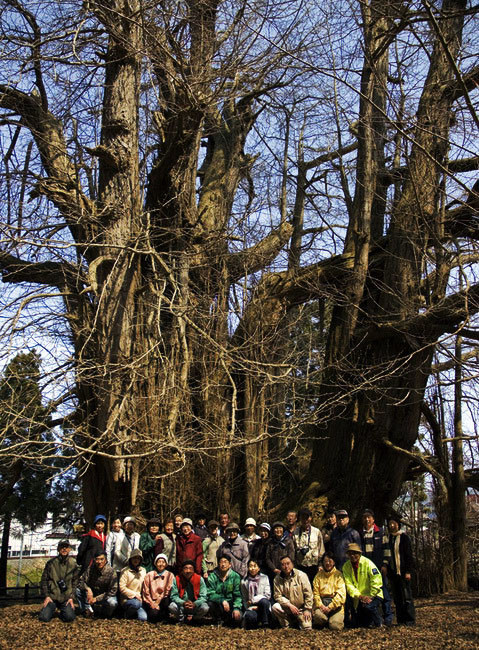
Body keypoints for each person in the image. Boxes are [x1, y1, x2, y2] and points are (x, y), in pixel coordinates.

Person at [360, 509, 393, 626]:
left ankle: (388, 617)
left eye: (369, 517)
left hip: (379, 567)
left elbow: (386, 549)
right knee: (370, 592)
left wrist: (385, 564)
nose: (367, 520)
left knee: (383, 591)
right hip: (365, 569)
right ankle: (373, 619)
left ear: (373, 519)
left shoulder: (380, 532)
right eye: (364, 517)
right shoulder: (360, 533)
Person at [342, 543, 383, 628]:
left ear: (360, 554)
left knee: (369, 607)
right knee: (358, 623)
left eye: (355, 553)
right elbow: (349, 585)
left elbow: (376, 580)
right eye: (350, 554)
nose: (353, 556)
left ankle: (379, 623)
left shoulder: (368, 563)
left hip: (374, 595)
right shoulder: (346, 566)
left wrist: (370, 596)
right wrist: (360, 596)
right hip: (358, 598)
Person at [38, 540, 79, 623]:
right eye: (62, 547)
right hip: (52, 597)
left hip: (66, 598)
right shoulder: (51, 563)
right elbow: (44, 580)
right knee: (43, 618)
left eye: (66, 547)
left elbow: (75, 582)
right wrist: (46, 596)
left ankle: (63, 612)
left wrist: (71, 597)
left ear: (70, 549)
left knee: (70, 618)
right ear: (58, 549)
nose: (64, 549)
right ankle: (50, 609)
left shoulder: (74, 563)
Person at [387, 513, 416, 626]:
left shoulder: (404, 537)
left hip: (403, 571)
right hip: (393, 573)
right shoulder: (389, 538)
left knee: (407, 596)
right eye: (390, 524)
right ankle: (401, 619)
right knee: (398, 598)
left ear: (398, 525)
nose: (392, 526)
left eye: (394, 523)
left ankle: (410, 619)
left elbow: (408, 555)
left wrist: (408, 571)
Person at [272, 555, 313, 630]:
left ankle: (300, 621)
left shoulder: (301, 575)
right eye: (283, 564)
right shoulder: (277, 579)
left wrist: (307, 609)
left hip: (301, 609)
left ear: (292, 564)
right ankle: (287, 625)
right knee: (275, 607)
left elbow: (308, 594)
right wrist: (289, 605)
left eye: (288, 563)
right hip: (287, 608)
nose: (286, 566)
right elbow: (277, 596)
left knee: (307, 628)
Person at [77, 550, 117, 618]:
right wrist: (88, 589)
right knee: (78, 591)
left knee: (112, 602)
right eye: (97, 559)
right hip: (92, 595)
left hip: (105, 596)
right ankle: (87, 610)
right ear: (94, 560)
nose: (99, 562)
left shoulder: (111, 571)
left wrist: (97, 599)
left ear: (106, 560)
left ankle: (105, 615)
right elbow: (81, 581)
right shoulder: (90, 569)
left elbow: (113, 591)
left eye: (102, 559)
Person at [312, 552, 346, 631]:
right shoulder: (318, 576)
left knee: (335, 626)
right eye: (325, 561)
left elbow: (341, 595)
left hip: (336, 606)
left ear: (334, 562)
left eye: (330, 561)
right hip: (322, 605)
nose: (327, 563)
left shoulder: (339, 575)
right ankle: (326, 621)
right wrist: (320, 605)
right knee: (318, 617)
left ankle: (332, 621)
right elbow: (315, 593)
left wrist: (330, 607)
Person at [206, 554, 242, 626]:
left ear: (230, 565)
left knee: (237, 620)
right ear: (218, 564)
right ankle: (218, 619)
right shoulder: (212, 576)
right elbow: (210, 593)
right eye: (221, 562)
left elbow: (238, 595)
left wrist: (237, 608)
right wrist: (222, 600)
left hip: (231, 603)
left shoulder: (235, 576)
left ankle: (228, 619)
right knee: (210, 603)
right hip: (219, 604)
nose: (223, 564)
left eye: (225, 562)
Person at [169, 559, 209, 624]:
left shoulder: (199, 579)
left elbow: (204, 596)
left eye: (190, 568)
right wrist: (183, 603)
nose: (188, 571)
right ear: (182, 570)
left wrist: (195, 604)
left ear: (193, 570)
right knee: (172, 606)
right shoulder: (177, 579)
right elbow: (174, 596)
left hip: (195, 606)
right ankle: (181, 619)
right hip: (182, 606)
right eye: (185, 568)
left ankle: (195, 619)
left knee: (205, 607)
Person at [293, 508, 325, 584]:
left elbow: (321, 549)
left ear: (310, 518)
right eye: (303, 518)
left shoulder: (316, 532)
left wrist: (321, 565)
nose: (305, 520)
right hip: (300, 566)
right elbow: (293, 550)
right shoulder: (295, 533)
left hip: (314, 566)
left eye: (307, 518)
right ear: (299, 519)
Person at [142, 553, 174, 623]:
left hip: (163, 600)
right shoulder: (149, 575)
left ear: (166, 564)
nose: (161, 564)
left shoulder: (170, 575)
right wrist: (152, 603)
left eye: (163, 562)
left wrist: (158, 601)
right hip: (151, 600)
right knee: (153, 616)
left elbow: (168, 590)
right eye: (159, 562)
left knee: (166, 602)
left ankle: (164, 614)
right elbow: (146, 591)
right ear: (155, 563)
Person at [240, 559, 272, 629]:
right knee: (250, 616)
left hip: (263, 606)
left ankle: (265, 624)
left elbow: (267, 595)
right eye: (250, 566)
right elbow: (244, 598)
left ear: (259, 568)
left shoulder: (264, 578)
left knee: (264, 601)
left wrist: (253, 600)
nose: (253, 568)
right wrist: (249, 606)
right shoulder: (244, 581)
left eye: (255, 566)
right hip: (252, 607)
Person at [118, 548, 147, 621]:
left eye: (138, 558)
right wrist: (135, 595)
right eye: (134, 558)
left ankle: (134, 613)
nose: (136, 560)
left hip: (139, 599)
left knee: (143, 618)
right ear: (130, 559)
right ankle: (127, 614)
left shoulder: (143, 571)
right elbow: (122, 588)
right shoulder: (125, 571)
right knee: (136, 604)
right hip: (127, 599)